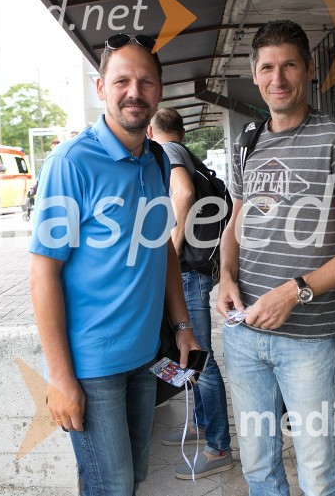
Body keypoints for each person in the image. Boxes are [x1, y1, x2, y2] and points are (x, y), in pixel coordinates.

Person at [216, 19, 335, 496]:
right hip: (244, 336)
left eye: (289, 64)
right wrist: (226, 275)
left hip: (308, 342)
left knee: (317, 474)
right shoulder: (247, 142)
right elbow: (236, 224)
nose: (278, 78)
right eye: (267, 67)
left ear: (309, 70)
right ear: (254, 75)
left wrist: (297, 290)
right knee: (258, 467)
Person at [28, 33, 199, 496]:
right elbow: (43, 271)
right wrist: (60, 376)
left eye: (145, 81)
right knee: (112, 487)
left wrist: (182, 325)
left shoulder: (158, 161)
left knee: (134, 477)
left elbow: (161, 245)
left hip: (145, 357)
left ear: (160, 90)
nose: (134, 91)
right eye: (121, 80)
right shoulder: (70, 162)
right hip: (92, 365)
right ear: (100, 87)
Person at [147, 108, 234, 479]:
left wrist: (173, 247)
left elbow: (181, 192)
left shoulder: (167, 153)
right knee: (193, 355)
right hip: (198, 271)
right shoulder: (187, 153)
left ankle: (218, 449)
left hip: (187, 271)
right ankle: (201, 424)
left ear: (152, 130)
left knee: (200, 358)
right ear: (181, 130)